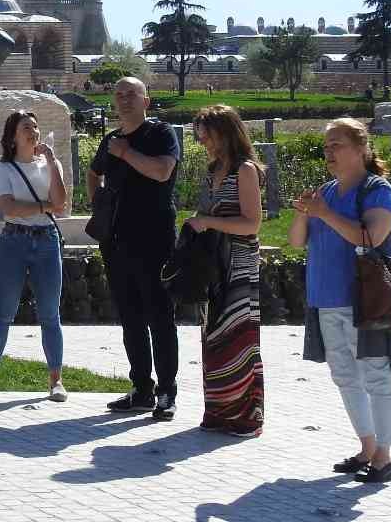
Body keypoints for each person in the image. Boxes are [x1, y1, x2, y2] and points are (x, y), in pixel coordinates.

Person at [289, 117, 391, 484]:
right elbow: (295, 241)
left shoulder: (376, 189)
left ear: (361, 148)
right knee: (345, 378)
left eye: (336, 145)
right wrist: (303, 212)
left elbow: (371, 237)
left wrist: (324, 213)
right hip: (325, 299)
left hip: (364, 302)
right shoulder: (327, 191)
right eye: (326, 146)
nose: (329, 152)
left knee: (375, 377)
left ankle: (384, 459)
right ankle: (367, 448)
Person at [88, 77, 182, 419]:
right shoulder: (110, 139)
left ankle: (166, 390)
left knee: (159, 315)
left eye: (132, 94)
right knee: (130, 318)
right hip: (116, 241)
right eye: (119, 94)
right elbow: (93, 171)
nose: (124, 99)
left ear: (146, 100)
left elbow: (161, 172)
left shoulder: (161, 134)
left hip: (154, 238)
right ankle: (141, 389)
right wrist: (97, 200)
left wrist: (127, 153)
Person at [183, 105, 265, 436]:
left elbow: (252, 222)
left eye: (207, 134)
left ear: (224, 132)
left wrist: (208, 222)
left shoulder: (244, 170)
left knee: (239, 336)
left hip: (239, 262)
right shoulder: (212, 169)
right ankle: (219, 409)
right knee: (213, 333)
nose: (203, 141)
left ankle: (246, 415)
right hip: (213, 261)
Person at [0, 109, 69, 400]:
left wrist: (52, 165)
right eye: (26, 127)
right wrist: (44, 206)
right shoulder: (2, 169)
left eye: (35, 125)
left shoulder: (50, 162)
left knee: (50, 314)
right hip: (14, 242)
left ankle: (56, 380)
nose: (33, 131)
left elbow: (61, 203)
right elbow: (9, 208)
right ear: (13, 136)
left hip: (47, 241)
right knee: (3, 311)